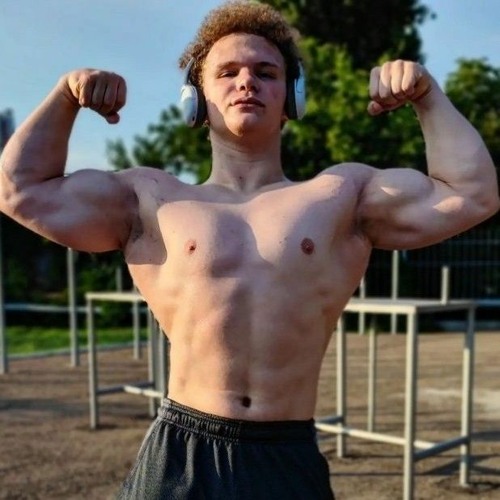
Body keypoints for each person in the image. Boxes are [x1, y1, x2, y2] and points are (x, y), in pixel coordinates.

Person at [1, 1, 499, 498]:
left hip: (286, 454)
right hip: (181, 455)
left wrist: (427, 96)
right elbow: (18, 191)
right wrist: (65, 96)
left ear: (293, 96)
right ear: (196, 98)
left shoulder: (340, 194)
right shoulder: (151, 198)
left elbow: (473, 194)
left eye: (266, 72)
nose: (247, 82)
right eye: (227, 72)